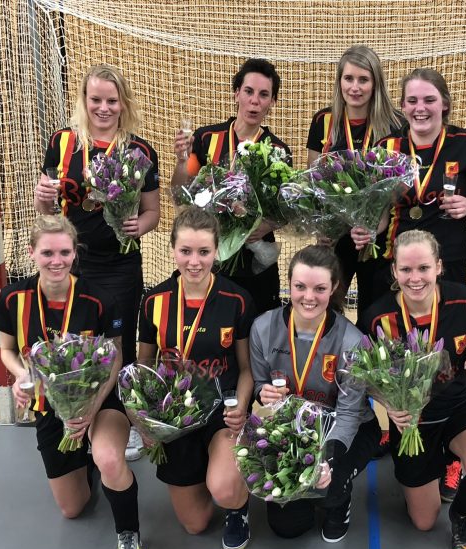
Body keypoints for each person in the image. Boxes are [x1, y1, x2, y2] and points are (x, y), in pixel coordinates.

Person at [356, 67, 466, 501]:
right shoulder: (387, 148)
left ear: (444, 104)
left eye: (429, 100)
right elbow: (380, 210)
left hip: (445, 262)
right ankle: (399, 423)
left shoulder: (465, 143)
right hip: (398, 261)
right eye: (412, 100)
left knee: (446, 346)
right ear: (402, 106)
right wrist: (368, 230)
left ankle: (453, 451)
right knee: (391, 352)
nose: (420, 108)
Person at [0, 215, 144, 549]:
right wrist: (23, 376)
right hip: (50, 407)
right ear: (32, 252)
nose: (56, 261)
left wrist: (91, 409)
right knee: (73, 508)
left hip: (101, 402)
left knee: (109, 459)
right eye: (47, 253)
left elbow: (116, 358)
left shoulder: (99, 299)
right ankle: (86, 462)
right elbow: (7, 351)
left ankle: (129, 534)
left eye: (64, 252)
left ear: (75, 253)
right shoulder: (13, 298)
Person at [33, 64, 160, 462]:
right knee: (75, 343)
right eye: (96, 100)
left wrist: (139, 225)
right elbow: (47, 211)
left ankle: (124, 421)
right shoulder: (63, 143)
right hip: (72, 266)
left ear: (123, 103)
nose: (103, 108)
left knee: (118, 345)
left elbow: (153, 212)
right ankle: (76, 415)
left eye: (111, 100)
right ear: (84, 101)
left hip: (120, 265)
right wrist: (42, 198)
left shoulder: (139, 151)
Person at [359, 230, 466, 549]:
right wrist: (388, 405)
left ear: (438, 266)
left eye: (423, 268)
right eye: (406, 269)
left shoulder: (461, 299)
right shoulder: (377, 316)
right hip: (413, 422)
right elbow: (365, 377)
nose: (415, 278)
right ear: (394, 271)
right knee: (423, 522)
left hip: (460, 406)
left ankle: (461, 514)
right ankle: (433, 464)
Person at [137, 207, 256, 549]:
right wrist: (145, 420)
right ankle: (208, 472)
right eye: (185, 251)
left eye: (204, 251)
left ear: (217, 251)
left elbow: (246, 368)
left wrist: (241, 405)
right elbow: (143, 366)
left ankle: (237, 507)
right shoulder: (154, 301)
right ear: (172, 249)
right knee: (195, 524)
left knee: (224, 490)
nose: (194, 262)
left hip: (221, 412)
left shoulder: (237, 300)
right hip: (176, 417)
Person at [250, 245, 380, 542]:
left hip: (347, 429)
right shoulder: (263, 327)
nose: (308, 297)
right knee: (286, 527)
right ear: (289, 284)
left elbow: (349, 413)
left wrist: (327, 459)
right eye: (300, 287)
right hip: (293, 429)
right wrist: (262, 393)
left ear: (334, 287)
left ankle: (339, 501)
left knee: (328, 488)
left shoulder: (352, 340)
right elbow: (259, 384)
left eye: (319, 288)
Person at [171, 58, 290, 314]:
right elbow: (181, 194)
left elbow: (284, 210)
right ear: (236, 94)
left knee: (256, 330)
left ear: (272, 102)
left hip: (255, 263)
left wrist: (265, 226)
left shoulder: (278, 150)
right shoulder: (206, 137)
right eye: (248, 91)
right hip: (210, 259)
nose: (254, 101)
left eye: (264, 95)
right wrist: (181, 161)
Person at [306, 45, 403, 317]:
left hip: (379, 238)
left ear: (376, 83)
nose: (355, 87)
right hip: (335, 238)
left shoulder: (396, 124)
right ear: (339, 81)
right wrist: (320, 226)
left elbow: (400, 184)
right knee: (329, 312)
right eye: (348, 78)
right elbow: (313, 180)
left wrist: (378, 220)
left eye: (363, 79)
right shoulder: (324, 121)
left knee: (376, 315)